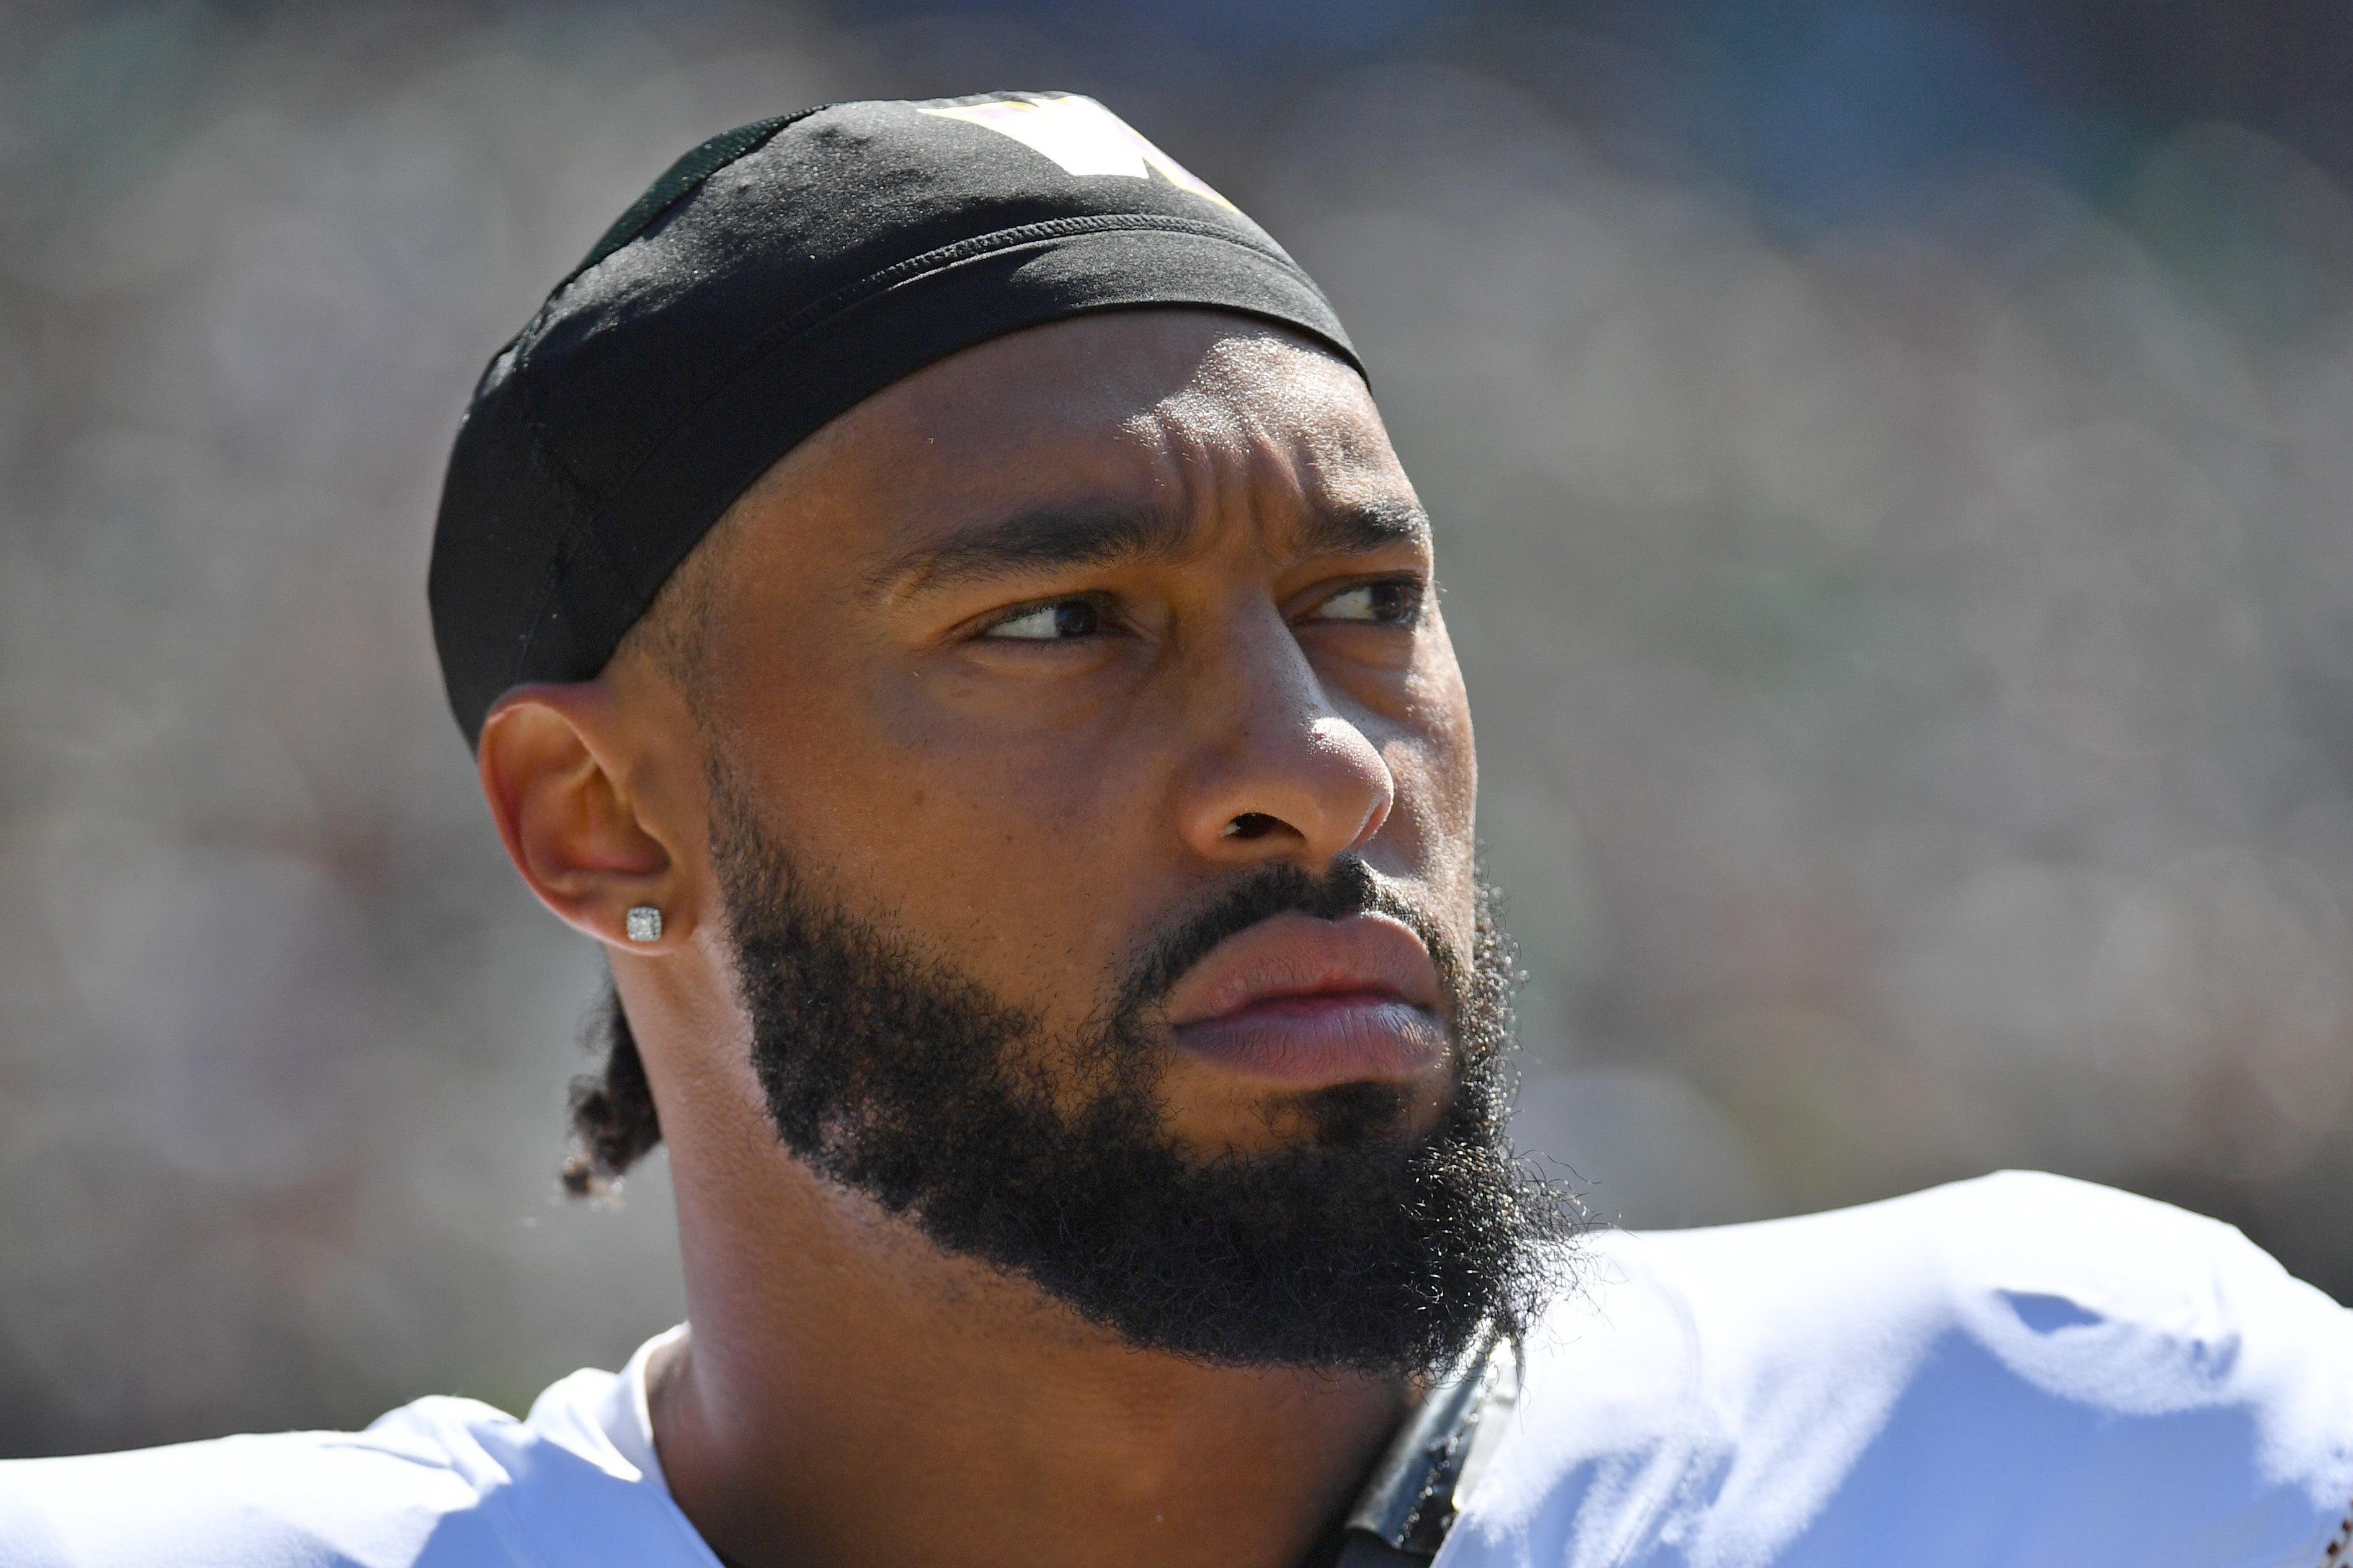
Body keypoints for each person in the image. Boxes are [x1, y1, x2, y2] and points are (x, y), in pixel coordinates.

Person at [1, 89, 2349, 1568]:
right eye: (1055, 623)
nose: (1318, 765)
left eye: (1365, 602)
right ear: (598, 814)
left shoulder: (2096, 1429)